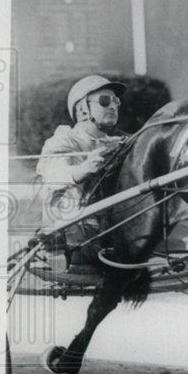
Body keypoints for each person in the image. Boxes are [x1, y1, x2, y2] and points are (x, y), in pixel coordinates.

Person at [36, 74, 127, 269]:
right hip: (76, 233)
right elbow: (54, 176)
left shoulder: (117, 142)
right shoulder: (63, 140)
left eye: (117, 102)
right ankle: (55, 249)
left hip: (113, 229)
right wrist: (84, 168)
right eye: (105, 100)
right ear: (82, 108)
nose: (114, 106)